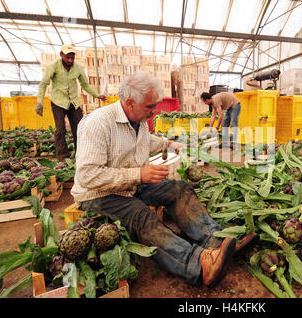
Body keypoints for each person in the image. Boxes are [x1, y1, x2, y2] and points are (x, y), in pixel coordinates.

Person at [71, 71, 259, 287]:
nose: (154, 112)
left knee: (178, 189)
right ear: (130, 102)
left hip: (130, 185)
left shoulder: (138, 119)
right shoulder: (97, 124)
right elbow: (88, 175)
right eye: (150, 107)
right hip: (98, 194)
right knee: (139, 215)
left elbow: (143, 139)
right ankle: (198, 264)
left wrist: (168, 144)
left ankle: (216, 240)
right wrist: (139, 174)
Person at [36, 44, 107, 161]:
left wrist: (97, 95)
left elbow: (85, 84)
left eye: (72, 58)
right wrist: (40, 102)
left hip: (74, 102)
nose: (70, 60)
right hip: (58, 101)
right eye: (67, 57)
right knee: (60, 130)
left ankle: (81, 154)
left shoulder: (77, 68)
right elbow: (43, 84)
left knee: (80, 128)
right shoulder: (53, 66)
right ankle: (63, 157)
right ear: (61, 55)